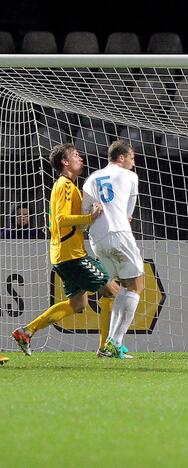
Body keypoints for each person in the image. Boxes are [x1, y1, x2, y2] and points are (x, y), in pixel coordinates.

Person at [11, 143, 119, 356]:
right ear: (65, 161)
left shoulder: (69, 186)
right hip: (72, 256)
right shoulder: (65, 185)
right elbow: (61, 220)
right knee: (111, 290)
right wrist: (89, 217)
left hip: (64, 255)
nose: (81, 159)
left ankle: (27, 331)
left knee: (77, 304)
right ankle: (105, 347)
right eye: (76, 155)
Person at [82, 140, 144, 360]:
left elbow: (85, 212)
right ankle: (114, 343)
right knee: (136, 285)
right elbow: (128, 214)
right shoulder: (130, 177)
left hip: (96, 239)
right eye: (132, 158)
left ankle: (109, 344)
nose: (133, 164)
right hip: (119, 233)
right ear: (121, 158)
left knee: (118, 289)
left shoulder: (91, 178)